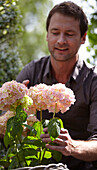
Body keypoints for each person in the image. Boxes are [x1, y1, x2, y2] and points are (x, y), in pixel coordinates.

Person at [16, 1, 97, 169]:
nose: (61, 40)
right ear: (47, 35)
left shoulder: (93, 80)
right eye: (55, 32)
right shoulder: (31, 73)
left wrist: (72, 147)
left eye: (69, 34)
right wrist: (17, 110)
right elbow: (4, 130)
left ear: (83, 38)